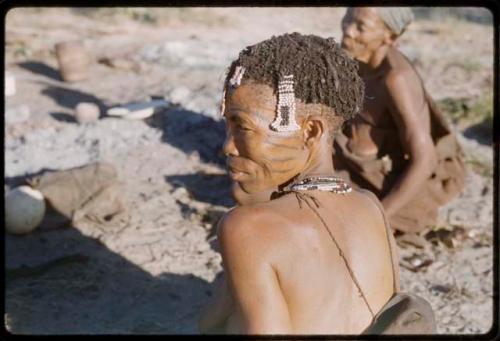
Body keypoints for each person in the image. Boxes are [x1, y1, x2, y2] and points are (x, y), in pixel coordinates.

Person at [198, 33, 400, 334]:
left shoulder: (247, 228)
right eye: (227, 126)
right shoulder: (371, 206)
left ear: (310, 131)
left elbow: (210, 324)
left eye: (243, 128)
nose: (228, 147)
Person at [334, 7, 466, 234]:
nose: (348, 30)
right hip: (351, 162)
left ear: (390, 36)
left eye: (360, 26)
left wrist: (378, 215)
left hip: (386, 181)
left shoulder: (396, 80)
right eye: (348, 19)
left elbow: (425, 160)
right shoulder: (354, 58)